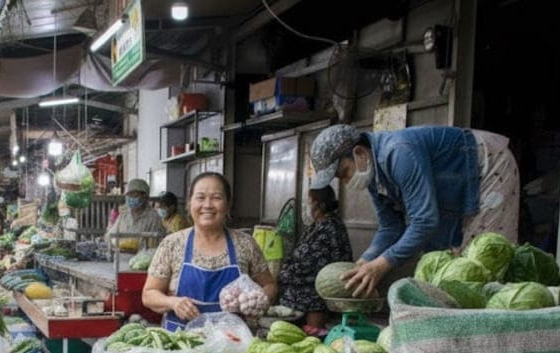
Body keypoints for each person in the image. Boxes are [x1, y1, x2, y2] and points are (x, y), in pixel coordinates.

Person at [309, 123, 519, 298]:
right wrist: (365, 261)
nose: (346, 182)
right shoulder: (372, 174)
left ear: (360, 153)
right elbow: (390, 226)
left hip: (489, 166)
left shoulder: (399, 152)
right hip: (458, 184)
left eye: (344, 172)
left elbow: (425, 221)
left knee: (486, 261)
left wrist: (381, 265)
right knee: (453, 266)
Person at [143, 172, 277, 331]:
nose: (207, 205)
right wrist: (173, 302)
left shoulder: (245, 244)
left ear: (228, 205)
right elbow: (149, 294)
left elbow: (269, 285)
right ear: (189, 204)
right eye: (200, 197)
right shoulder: (172, 244)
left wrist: (258, 302)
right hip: (181, 343)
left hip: (233, 343)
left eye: (216, 198)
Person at [277, 185, 353, 332]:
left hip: (318, 287)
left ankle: (314, 333)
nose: (306, 205)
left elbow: (311, 263)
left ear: (320, 204)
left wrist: (284, 274)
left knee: (312, 326)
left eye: (308, 201)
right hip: (306, 281)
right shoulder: (317, 225)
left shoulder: (331, 227)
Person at [105, 178, 164, 251]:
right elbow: (110, 235)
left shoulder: (154, 218)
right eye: (128, 195)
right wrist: (113, 242)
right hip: (121, 256)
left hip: (143, 258)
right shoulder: (124, 215)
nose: (130, 198)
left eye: (134, 195)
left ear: (145, 197)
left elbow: (156, 245)